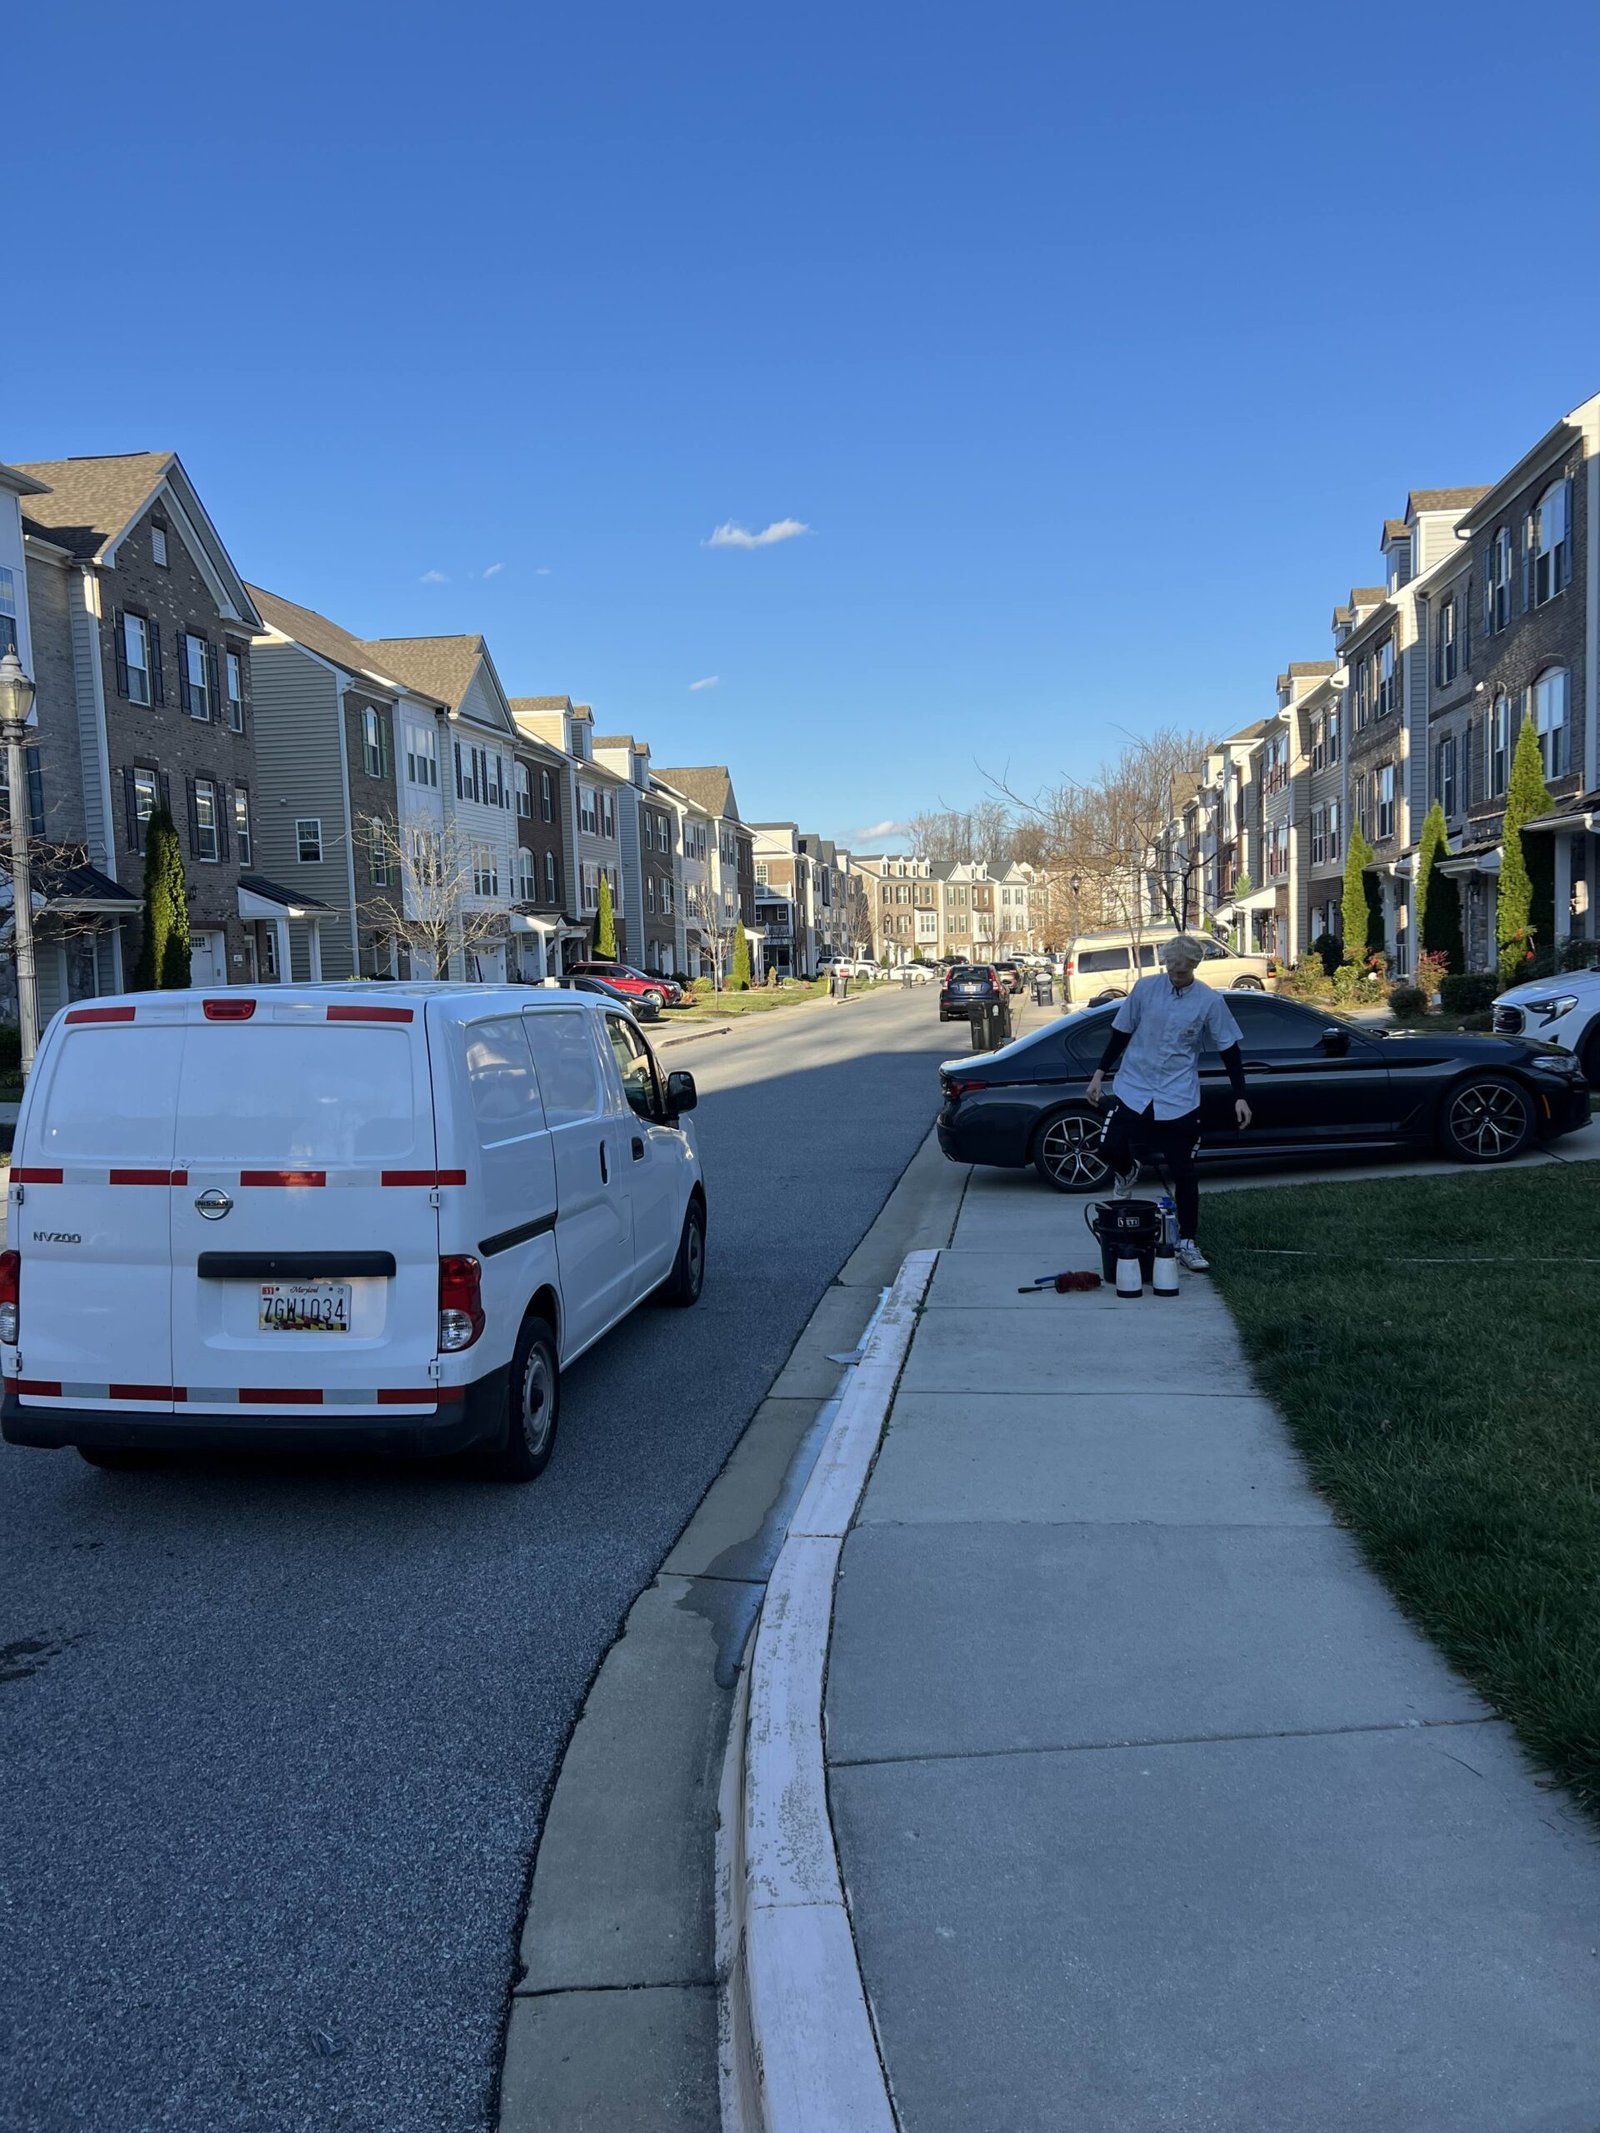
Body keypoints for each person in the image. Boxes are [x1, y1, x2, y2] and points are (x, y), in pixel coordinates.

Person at [1084, 935, 1253, 1272]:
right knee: (1108, 1146)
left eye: (1183, 973)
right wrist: (1099, 1073)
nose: (1177, 978)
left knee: (1184, 1172)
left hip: (1178, 1095)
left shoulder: (1208, 1001)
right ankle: (1128, 1170)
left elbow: (1229, 1049)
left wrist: (1240, 1095)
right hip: (1135, 1084)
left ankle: (1188, 1241)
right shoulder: (1146, 990)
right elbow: (1121, 1033)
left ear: (1194, 968)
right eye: (1173, 972)